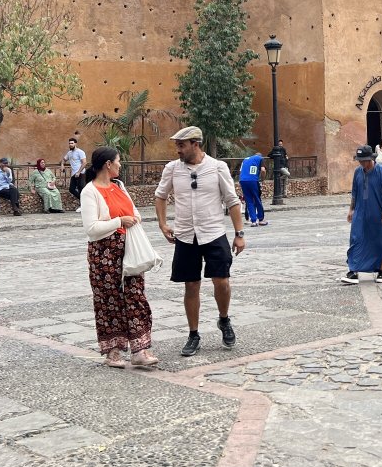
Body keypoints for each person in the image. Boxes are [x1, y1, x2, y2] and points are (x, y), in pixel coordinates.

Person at [154, 127, 245, 357]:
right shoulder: (172, 169)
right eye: (177, 145)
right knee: (191, 285)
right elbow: (160, 195)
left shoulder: (217, 167)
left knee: (221, 281)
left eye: (181, 145)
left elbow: (232, 200)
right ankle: (193, 334)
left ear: (195, 144)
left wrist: (239, 234)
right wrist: (163, 224)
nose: (178, 150)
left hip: (213, 232)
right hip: (185, 235)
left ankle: (224, 319)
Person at [80, 146, 158, 369]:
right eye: (118, 161)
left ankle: (140, 350)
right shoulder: (89, 191)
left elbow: (135, 213)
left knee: (136, 296)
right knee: (109, 300)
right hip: (104, 253)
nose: (120, 165)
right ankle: (113, 351)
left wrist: (131, 219)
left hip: (128, 248)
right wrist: (119, 221)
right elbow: (91, 228)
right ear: (108, 164)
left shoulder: (119, 186)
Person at [341, 145, 382, 283]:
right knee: (356, 239)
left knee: (380, 240)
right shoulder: (358, 172)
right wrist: (351, 210)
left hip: (377, 211)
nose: (361, 163)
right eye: (359, 160)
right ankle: (353, 271)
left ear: (370, 159)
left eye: (363, 160)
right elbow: (354, 193)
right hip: (360, 211)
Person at [238, 150, 268, 227]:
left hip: (242, 180)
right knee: (257, 199)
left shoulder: (245, 159)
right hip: (252, 180)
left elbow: (240, 171)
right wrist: (262, 179)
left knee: (249, 201)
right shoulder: (260, 158)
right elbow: (263, 170)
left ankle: (253, 221)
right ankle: (261, 219)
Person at [63, 137, 86, 202]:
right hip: (73, 174)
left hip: (80, 173)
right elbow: (64, 159)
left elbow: (84, 163)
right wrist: (62, 165)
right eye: (69, 143)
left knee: (81, 189)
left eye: (72, 143)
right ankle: (83, 201)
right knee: (71, 189)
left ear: (75, 144)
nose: (70, 144)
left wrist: (78, 172)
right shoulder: (69, 153)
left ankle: (84, 203)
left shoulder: (80, 152)